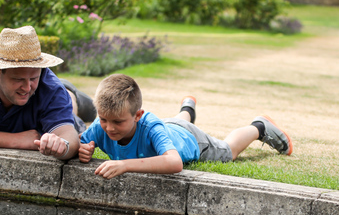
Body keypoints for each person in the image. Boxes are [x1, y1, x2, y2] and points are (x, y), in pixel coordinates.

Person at [77, 74, 293, 179]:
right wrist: (82, 149)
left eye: (118, 122)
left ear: (138, 115)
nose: (109, 127)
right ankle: (187, 109)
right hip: (170, 126)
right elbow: (80, 143)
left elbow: (174, 162)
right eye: (104, 119)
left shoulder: (150, 125)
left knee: (228, 150)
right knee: (176, 122)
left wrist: (125, 165)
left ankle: (259, 127)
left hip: (189, 139)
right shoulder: (100, 125)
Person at [0, 25, 96, 160]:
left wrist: (61, 146)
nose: (27, 88)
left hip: (65, 100)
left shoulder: (52, 88)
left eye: (33, 78)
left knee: (69, 102)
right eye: (18, 80)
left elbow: (70, 139)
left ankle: (71, 93)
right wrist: (17, 140)